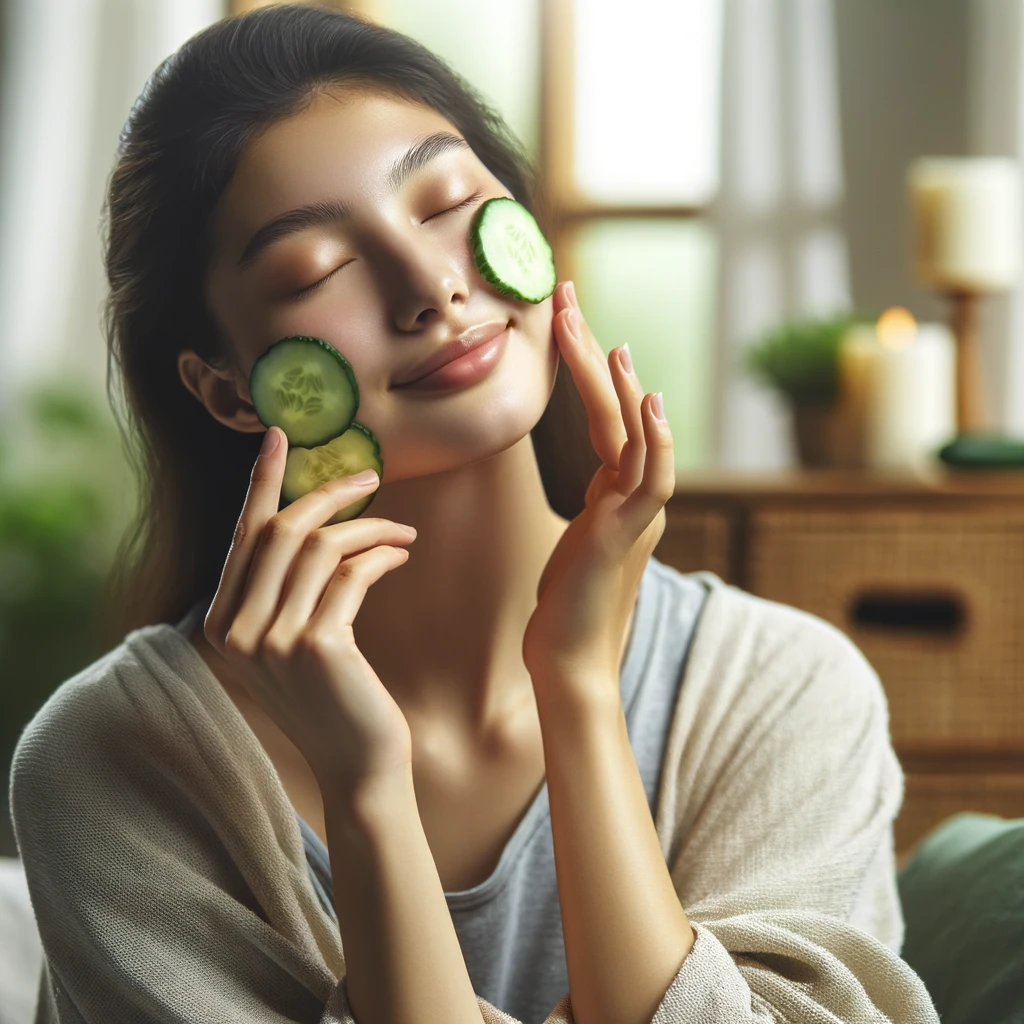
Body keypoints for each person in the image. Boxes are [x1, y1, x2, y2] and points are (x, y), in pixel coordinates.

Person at [9, 5, 940, 1023]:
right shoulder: (110, 764)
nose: (431, 287)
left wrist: (576, 688)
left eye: (451, 202)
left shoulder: (784, 690)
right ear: (228, 389)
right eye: (319, 269)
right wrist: (368, 791)